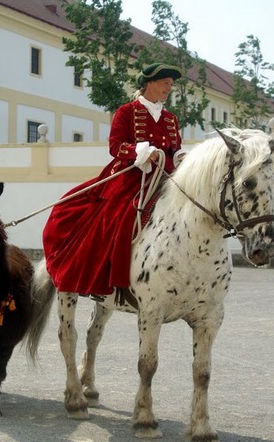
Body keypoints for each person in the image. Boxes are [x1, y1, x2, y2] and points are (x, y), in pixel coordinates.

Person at [42, 63, 186, 296]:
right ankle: (111, 278)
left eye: (171, 85)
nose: (169, 89)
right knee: (119, 214)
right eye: (165, 83)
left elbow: (175, 149)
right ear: (150, 83)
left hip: (166, 176)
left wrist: (182, 157)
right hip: (131, 175)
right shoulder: (127, 112)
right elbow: (115, 146)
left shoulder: (170, 119)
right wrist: (140, 152)